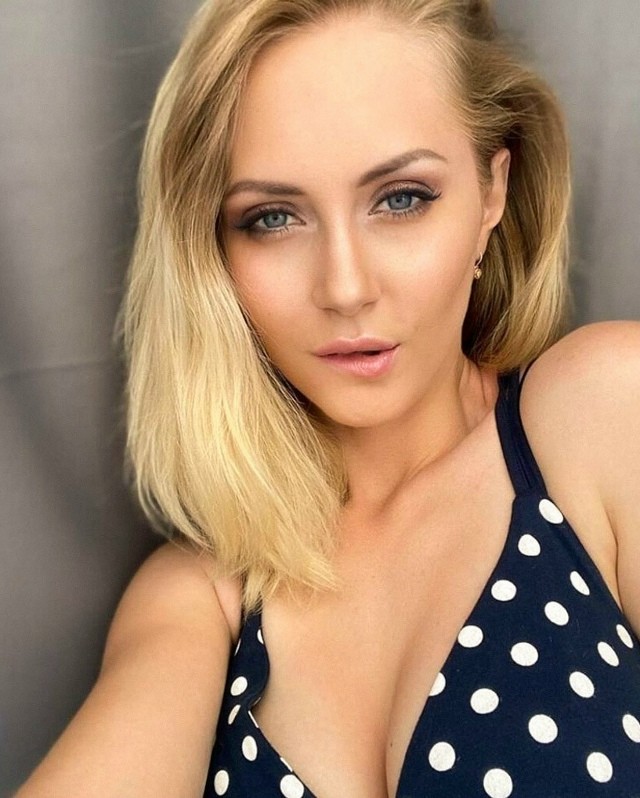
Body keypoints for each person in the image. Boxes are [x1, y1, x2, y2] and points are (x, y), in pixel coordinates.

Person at [17, 0, 640, 795]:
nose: (345, 288)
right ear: (212, 251)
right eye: (273, 218)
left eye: (402, 198)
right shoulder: (206, 594)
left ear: (493, 190)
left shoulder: (602, 414)